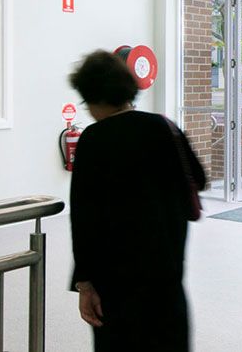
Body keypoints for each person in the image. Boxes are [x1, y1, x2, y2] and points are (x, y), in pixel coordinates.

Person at [68, 50, 205, 351]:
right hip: (166, 279)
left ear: (94, 98)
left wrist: (84, 283)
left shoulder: (93, 139)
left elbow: (83, 218)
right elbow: (199, 179)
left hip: (115, 288)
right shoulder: (165, 128)